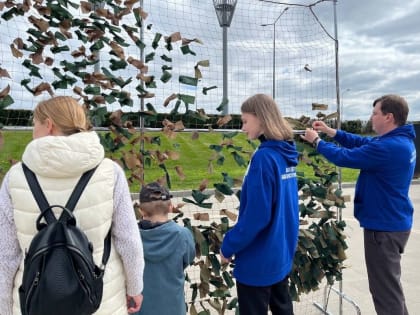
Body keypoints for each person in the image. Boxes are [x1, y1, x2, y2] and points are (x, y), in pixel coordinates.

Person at [0, 96, 145, 315]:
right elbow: (128, 240)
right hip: (99, 300)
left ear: (48, 125)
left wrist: (5, 307)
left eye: (34, 125)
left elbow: (6, 255)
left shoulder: (15, 177)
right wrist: (135, 288)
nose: (33, 131)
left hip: (34, 301)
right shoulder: (110, 172)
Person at [301, 94, 416, 315]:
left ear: (389, 117)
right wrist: (331, 132)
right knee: (390, 289)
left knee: (385, 293)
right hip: (393, 223)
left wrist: (317, 141)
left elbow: (345, 157)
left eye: (375, 113)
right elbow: (362, 142)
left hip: (383, 230)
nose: (371, 118)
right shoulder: (400, 141)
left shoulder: (389, 147)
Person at [220, 94, 299, 315]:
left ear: (262, 119)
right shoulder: (285, 154)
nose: (243, 128)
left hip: (259, 260)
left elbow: (257, 216)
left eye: (245, 121)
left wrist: (229, 245)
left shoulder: (264, 158)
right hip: (280, 252)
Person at [134, 182, 195, 315]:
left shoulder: (131, 238)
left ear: (141, 210)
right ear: (170, 207)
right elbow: (187, 259)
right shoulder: (183, 235)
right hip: (173, 307)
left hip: (140, 308)